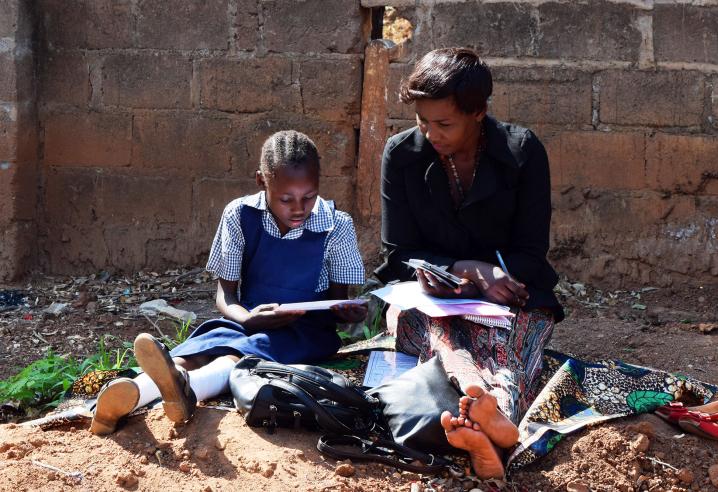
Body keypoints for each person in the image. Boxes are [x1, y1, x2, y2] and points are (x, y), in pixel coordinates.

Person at [91, 130, 368, 435]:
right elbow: (225, 295)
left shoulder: (336, 225)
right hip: (250, 317)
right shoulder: (239, 215)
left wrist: (347, 312)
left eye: (309, 197)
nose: (299, 208)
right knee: (200, 347)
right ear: (262, 181)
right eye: (286, 199)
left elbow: (337, 302)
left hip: (306, 332)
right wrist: (249, 318)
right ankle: (131, 392)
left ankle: (185, 389)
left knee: (240, 354)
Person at [374, 48, 564, 478]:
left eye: (444, 123)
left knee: (510, 345)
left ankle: (490, 421)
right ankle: (491, 415)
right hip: (427, 300)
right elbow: (397, 255)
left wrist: (500, 277)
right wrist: (466, 269)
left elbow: (532, 253)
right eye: (422, 120)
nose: (430, 133)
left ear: (478, 113)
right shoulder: (402, 155)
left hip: (511, 298)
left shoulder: (523, 152)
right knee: (441, 336)